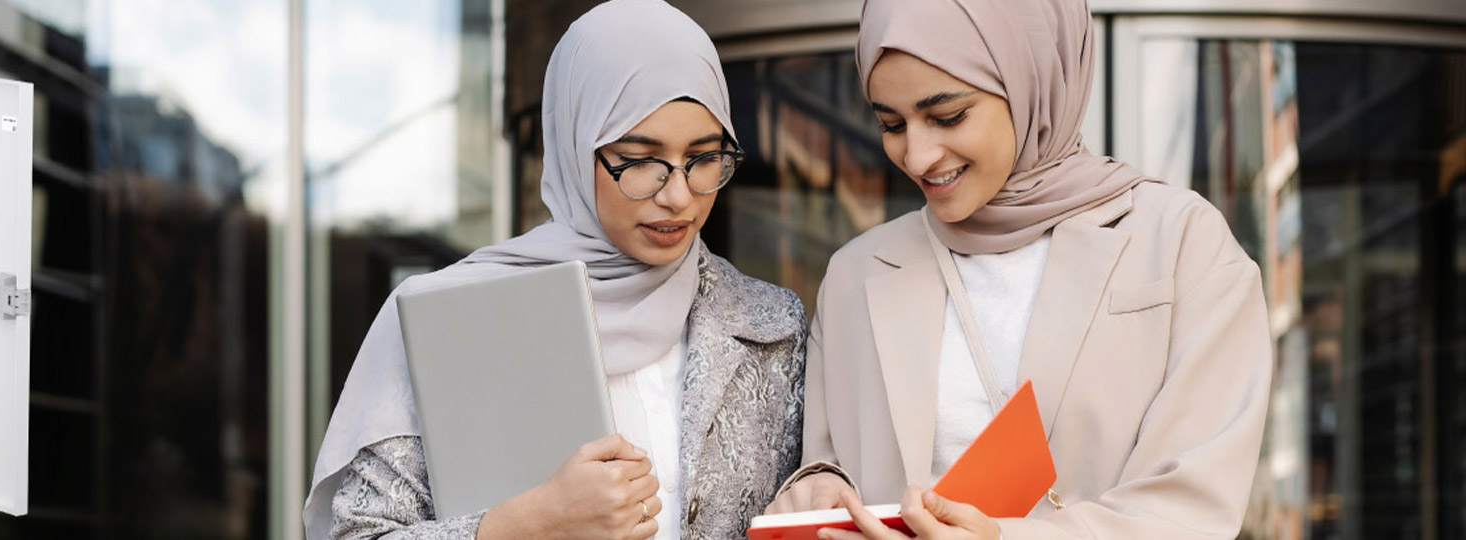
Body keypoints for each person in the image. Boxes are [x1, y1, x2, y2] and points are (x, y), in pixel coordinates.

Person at [765, 0, 1275, 538]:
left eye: (948, 116)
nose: (917, 156)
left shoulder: (1181, 244)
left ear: (1033, 78)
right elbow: (834, 463)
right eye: (892, 124)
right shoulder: (855, 274)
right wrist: (819, 488)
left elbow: (1191, 506)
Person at [305, 1, 808, 539]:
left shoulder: (770, 324)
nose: (679, 196)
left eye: (705, 158)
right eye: (640, 160)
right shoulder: (448, 317)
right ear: (573, 145)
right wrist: (528, 523)